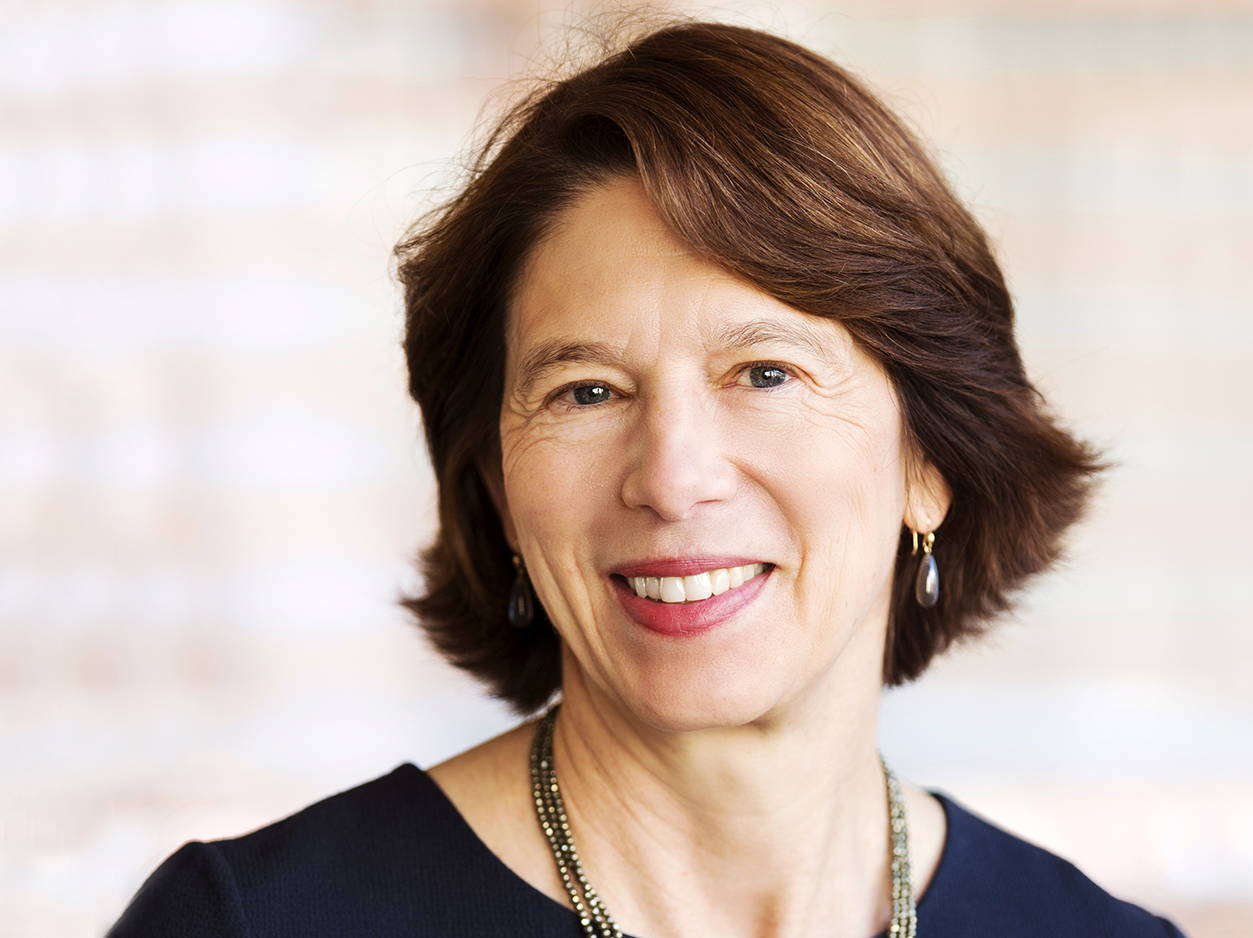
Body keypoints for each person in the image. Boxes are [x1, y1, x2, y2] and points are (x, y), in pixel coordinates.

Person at [110, 21, 1184, 938]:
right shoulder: (256, 922)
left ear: (929, 463)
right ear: (492, 479)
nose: (671, 479)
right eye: (585, 391)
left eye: (763, 372)